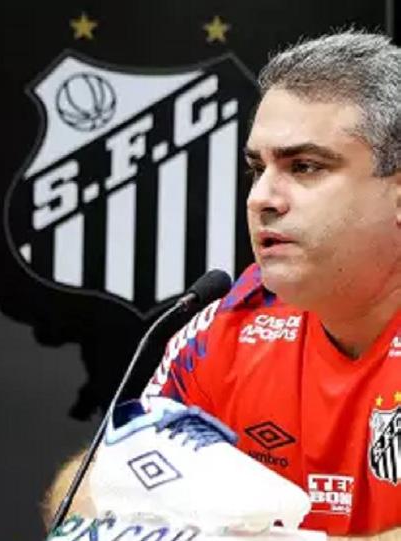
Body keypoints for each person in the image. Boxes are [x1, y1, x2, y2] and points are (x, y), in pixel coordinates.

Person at [44, 29, 401, 538]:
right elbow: (89, 485)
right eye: (257, 168)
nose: (261, 198)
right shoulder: (230, 327)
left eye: (305, 167)